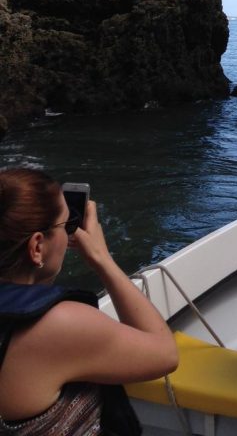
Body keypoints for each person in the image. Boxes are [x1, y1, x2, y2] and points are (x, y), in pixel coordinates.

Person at [0, 167, 178, 436]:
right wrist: (101, 258)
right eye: (66, 225)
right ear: (37, 246)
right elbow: (165, 354)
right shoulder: (57, 326)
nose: (69, 233)